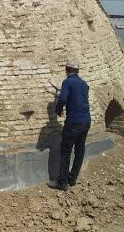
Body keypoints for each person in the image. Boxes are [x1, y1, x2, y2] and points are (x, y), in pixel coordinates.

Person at [48, 61, 91, 191]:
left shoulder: (68, 82)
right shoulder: (84, 84)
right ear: (77, 71)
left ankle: (62, 182)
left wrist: (58, 110)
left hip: (73, 122)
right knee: (80, 151)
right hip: (86, 121)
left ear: (67, 70)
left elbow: (63, 99)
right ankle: (72, 179)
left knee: (65, 152)